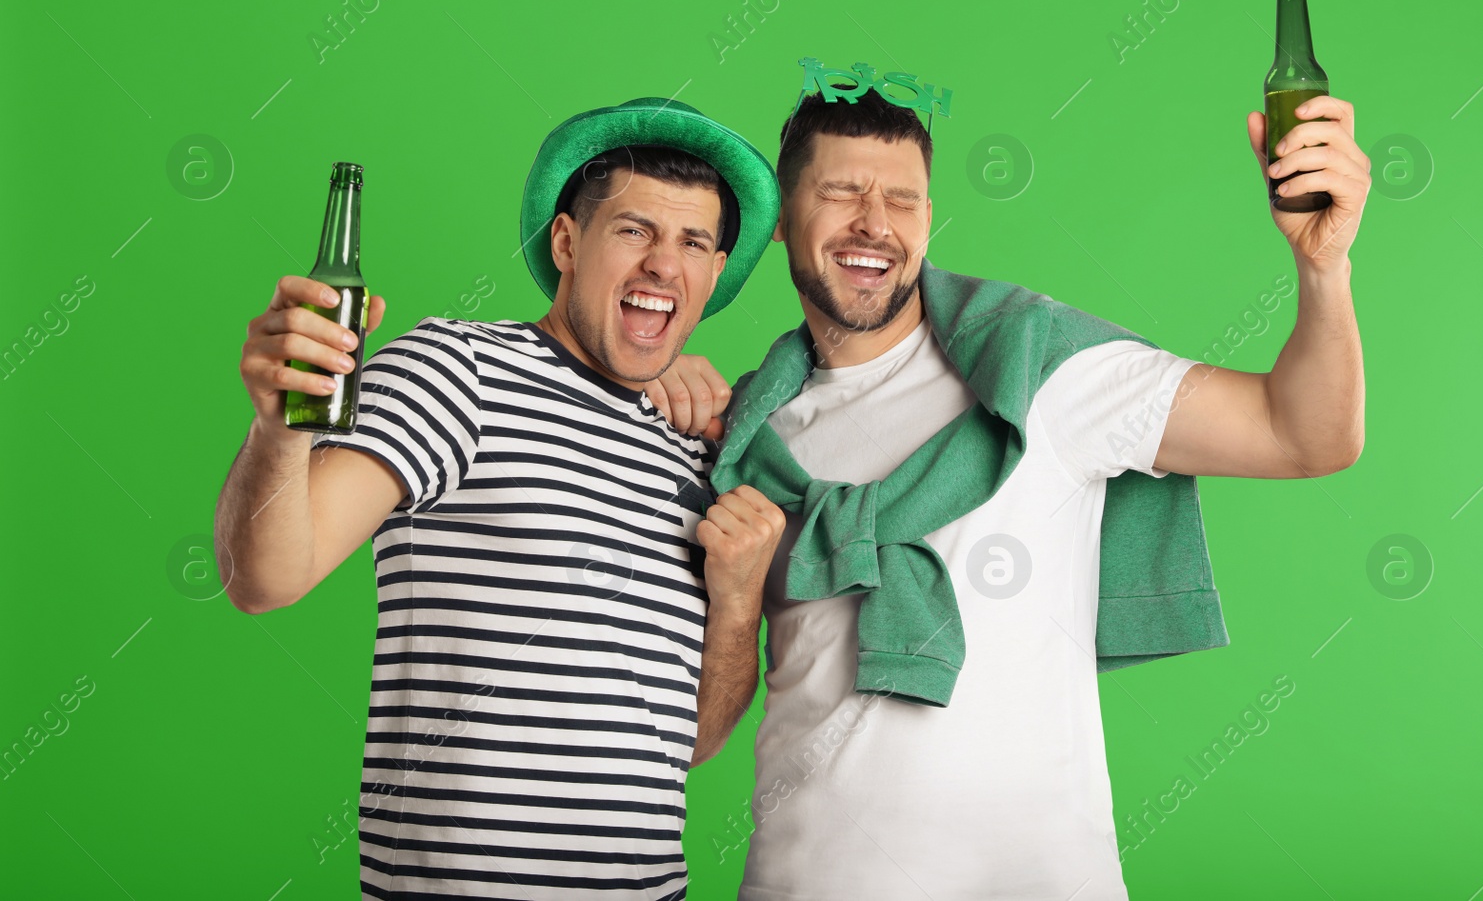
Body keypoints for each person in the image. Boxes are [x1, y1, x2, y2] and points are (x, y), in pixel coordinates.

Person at [648, 82, 1370, 899]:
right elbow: (695, 722)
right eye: (842, 191)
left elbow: (1305, 433)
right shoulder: (745, 435)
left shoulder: (1042, 367)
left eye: (903, 198)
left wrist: (1323, 265)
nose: (874, 223)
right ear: (782, 217)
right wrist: (655, 377)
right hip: (808, 877)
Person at [214, 97, 788, 899]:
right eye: (633, 230)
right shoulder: (459, 372)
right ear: (565, 241)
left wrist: (737, 606)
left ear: (715, 272)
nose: (665, 264)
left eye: (694, 241)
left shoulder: (698, 448)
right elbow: (265, 578)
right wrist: (279, 429)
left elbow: (684, 745)